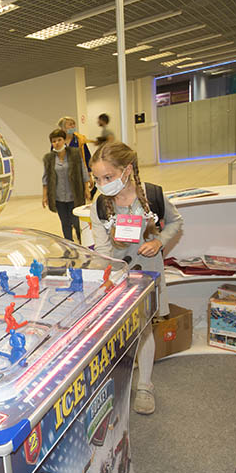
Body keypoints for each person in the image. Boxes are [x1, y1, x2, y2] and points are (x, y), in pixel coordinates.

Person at [89, 142, 183, 414]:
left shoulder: (152, 195)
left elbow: (176, 222)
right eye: (97, 179)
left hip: (148, 274)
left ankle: (145, 385)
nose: (102, 184)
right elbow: (102, 248)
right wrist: (106, 275)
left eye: (108, 177)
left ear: (127, 170)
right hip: (119, 277)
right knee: (118, 332)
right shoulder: (100, 204)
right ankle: (119, 381)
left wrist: (159, 242)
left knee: (144, 330)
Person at [42, 129, 89, 242]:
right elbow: (46, 178)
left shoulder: (75, 154)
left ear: (64, 140)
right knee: (65, 223)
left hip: (74, 195)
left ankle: (82, 242)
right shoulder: (49, 158)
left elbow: (83, 171)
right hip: (59, 197)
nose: (57, 143)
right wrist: (45, 196)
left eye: (59, 140)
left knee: (76, 222)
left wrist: (86, 189)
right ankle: (69, 245)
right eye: (54, 141)